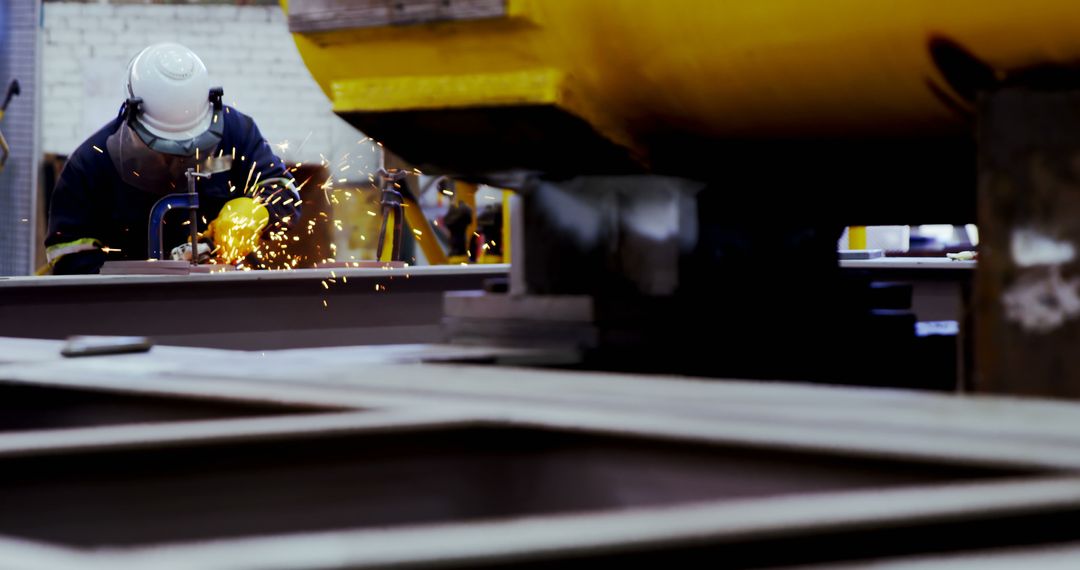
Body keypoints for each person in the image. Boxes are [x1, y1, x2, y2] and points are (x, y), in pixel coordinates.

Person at [45, 42, 300, 274]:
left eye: (190, 149)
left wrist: (258, 211)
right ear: (132, 113)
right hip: (129, 309)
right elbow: (66, 256)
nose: (179, 157)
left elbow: (284, 191)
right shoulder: (91, 165)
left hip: (228, 294)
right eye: (166, 148)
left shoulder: (237, 132)